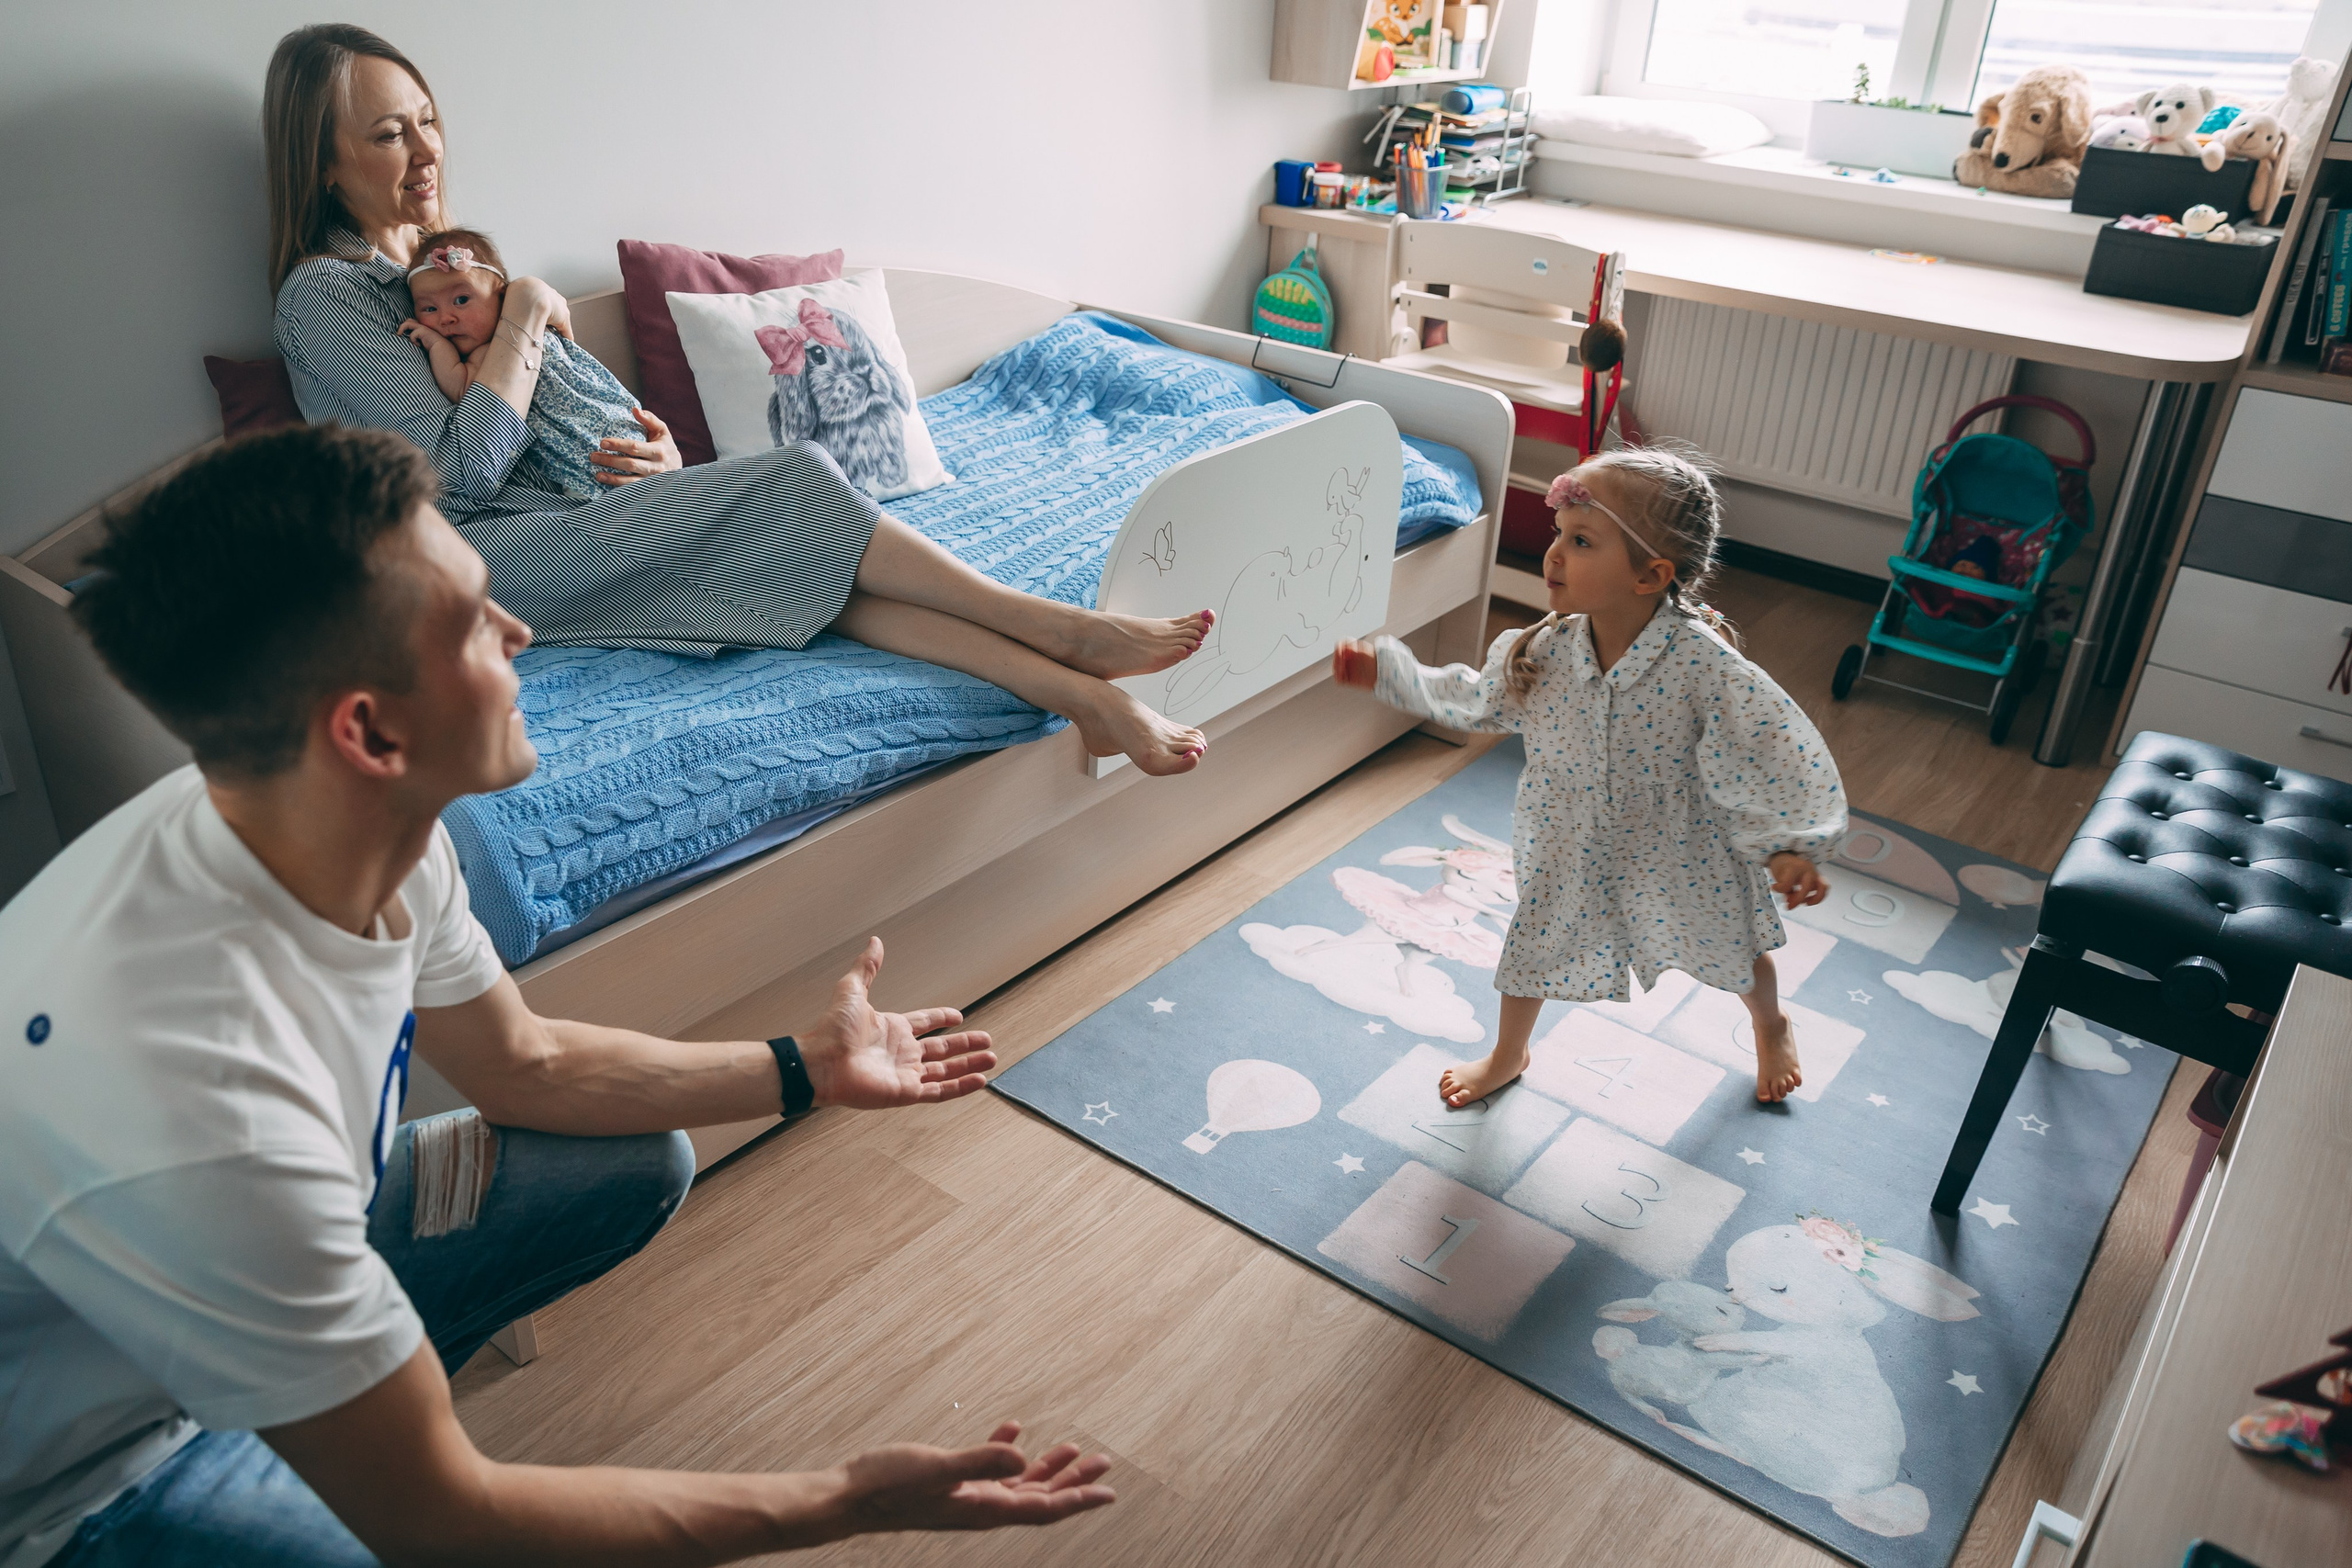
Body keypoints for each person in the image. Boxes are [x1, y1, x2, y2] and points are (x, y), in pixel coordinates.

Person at [0, 425, 1114, 1568]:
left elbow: (523, 1064)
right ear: (369, 731)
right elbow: (451, 1518)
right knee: (407, 1528)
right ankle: (332, 1437)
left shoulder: (338, 824)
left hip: (216, 1275)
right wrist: (837, 1501)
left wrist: (805, 1068)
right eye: (472, 623)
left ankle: (337, 1409)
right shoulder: (208, 1122)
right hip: (83, 1482)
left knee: (630, 1161)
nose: (520, 631)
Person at [264, 24, 1211, 776]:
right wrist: (527, 308)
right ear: (324, 165)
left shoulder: (446, 268)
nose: (425, 149)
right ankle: (1059, 628)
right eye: (388, 134)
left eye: (427, 120)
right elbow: (461, 474)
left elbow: (554, 415)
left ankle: (1084, 697)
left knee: (811, 569)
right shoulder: (325, 296)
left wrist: (665, 464)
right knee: (796, 481)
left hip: (569, 514)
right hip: (476, 560)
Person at [1332, 447, 1847, 1107]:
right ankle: (1509, 1052)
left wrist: (1789, 845)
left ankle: (1770, 1022)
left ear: (1650, 575)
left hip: (1681, 846)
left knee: (1732, 946)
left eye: (1581, 540)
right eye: (1559, 533)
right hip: (1570, 839)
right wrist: (1392, 674)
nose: (1553, 553)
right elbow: (1476, 699)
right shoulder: (1545, 649)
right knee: (1532, 948)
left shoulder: (1703, 664)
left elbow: (1767, 747)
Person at [398, 228, 637, 503]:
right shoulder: (503, 344)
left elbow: (460, 387)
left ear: (503, 296)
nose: (446, 318)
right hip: (604, 447)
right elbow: (465, 392)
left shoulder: (496, 348)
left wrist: (437, 345)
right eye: (429, 309)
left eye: (461, 300)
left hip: (602, 432)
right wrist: (439, 343)